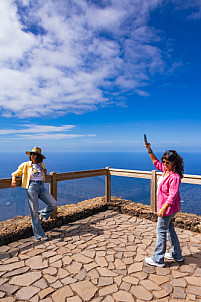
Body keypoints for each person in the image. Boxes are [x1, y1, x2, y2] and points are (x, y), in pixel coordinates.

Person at [144, 142, 184, 267]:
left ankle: (158, 259)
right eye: (164, 162)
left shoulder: (174, 177)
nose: (165, 164)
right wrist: (149, 149)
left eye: (168, 162)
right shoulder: (166, 171)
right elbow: (155, 162)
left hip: (168, 209)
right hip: (170, 209)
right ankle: (176, 254)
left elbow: (172, 195)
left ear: (174, 163)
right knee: (170, 229)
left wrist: (162, 209)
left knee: (161, 230)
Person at [11, 147, 57, 241]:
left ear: (38, 156)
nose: (32, 155)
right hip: (32, 188)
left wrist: (45, 173)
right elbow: (15, 173)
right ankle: (39, 235)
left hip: (41, 187)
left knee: (53, 204)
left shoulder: (41, 164)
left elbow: (43, 174)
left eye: (34, 154)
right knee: (34, 212)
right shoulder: (25, 165)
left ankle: (43, 214)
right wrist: (13, 180)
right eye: (31, 154)